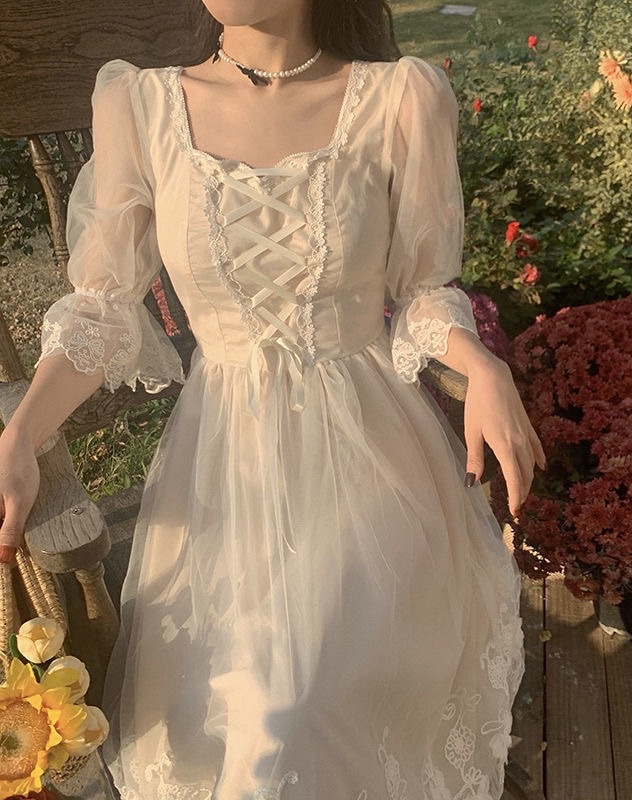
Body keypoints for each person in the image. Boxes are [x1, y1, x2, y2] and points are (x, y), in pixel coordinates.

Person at [0, 0, 545, 796]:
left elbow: (424, 288)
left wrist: (484, 367)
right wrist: (20, 434)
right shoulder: (141, 105)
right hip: (226, 472)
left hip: (370, 464)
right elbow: (103, 308)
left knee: (302, 707)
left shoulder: (401, 97)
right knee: (247, 718)